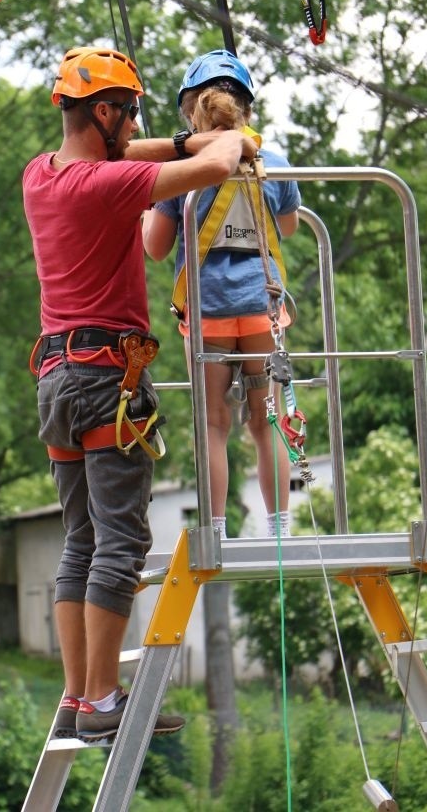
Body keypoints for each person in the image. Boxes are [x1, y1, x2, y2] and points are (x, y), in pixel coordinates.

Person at [22, 46, 258, 742]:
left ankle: (78, 695)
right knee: (121, 542)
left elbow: (153, 150)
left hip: (57, 380)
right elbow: (213, 171)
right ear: (103, 111)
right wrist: (235, 138)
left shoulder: (42, 175)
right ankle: (101, 701)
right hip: (106, 380)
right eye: (128, 112)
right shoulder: (108, 187)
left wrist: (188, 135)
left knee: (81, 540)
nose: (135, 125)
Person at [142, 49, 301, 541]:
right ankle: (279, 528)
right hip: (261, 312)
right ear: (246, 109)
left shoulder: (179, 167)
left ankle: (214, 528)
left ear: (191, 112)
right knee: (266, 418)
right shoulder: (271, 162)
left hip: (209, 314)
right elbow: (290, 228)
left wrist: (147, 206)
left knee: (213, 422)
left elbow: (156, 247)